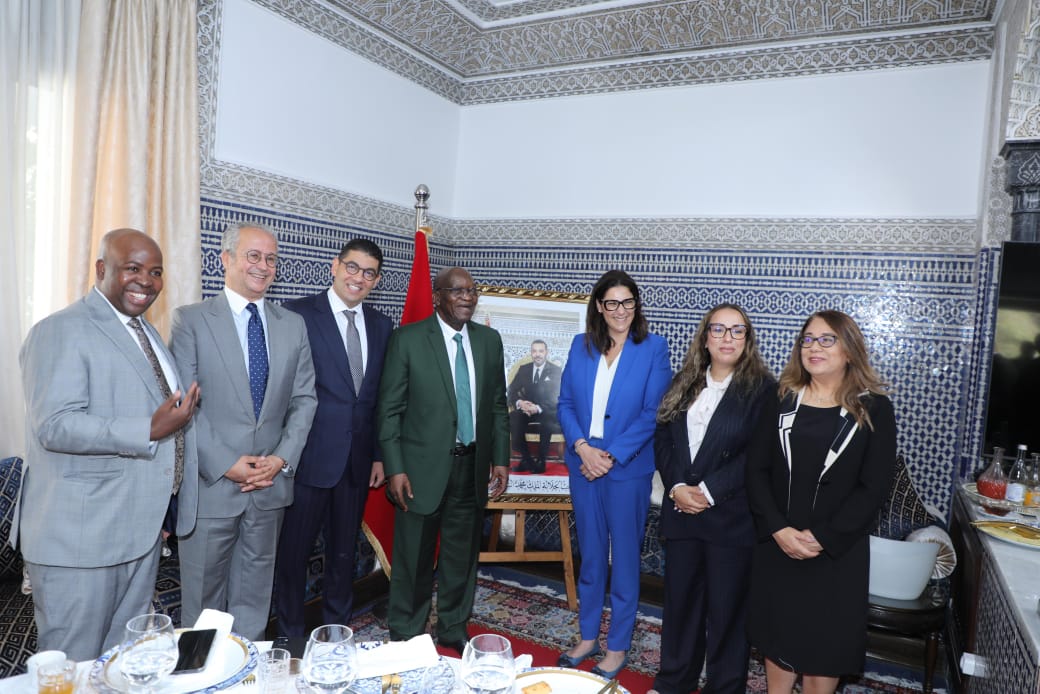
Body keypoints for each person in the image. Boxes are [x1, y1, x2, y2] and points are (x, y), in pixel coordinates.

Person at [15, 228, 200, 660]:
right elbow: (55, 426)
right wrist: (148, 429)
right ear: (102, 269)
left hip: (138, 532)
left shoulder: (145, 332)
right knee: (73, 668)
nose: (146, 281)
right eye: (133, 268)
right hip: (82, 539)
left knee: (121, 662)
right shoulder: (60, 330)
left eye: (156, 272)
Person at [171, 221, 317, 641]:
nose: (263, 266)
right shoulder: (191, 320)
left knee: (254, 599)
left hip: (269, 487)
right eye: (254, 256)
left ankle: (247, 669)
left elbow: (305, 400)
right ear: (226, 259)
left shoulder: (292, 325)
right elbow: (183, 405)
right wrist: (226, 463)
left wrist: (281, 459)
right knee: (203, 605)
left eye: (271, 259)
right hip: (213, 487)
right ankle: (200, 673)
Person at [745, 310, 897, 694]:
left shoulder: (874, 408)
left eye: (827, 339)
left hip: (835, 554)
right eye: (808, 339)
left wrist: (823, 537)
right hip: (778, 546)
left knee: (824, 650)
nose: (814, 347)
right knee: (778, 641)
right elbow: (756, 470)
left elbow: (873, 488)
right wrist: (778, 529)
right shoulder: (780, 398)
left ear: (849, 349)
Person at [376, 266, 510, 655]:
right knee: (413, 557)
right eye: (457, 291)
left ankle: (453, 627)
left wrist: (500, 458)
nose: (468, 297)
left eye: (473, 290)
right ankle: (406, 632)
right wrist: (395, 467)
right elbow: (389, 411)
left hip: (472, 466)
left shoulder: (489, 340)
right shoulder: (408, 340)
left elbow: (497, 405)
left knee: (461, 556)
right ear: (437, 297)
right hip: (419, 470)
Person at [648, 304, 775, 694]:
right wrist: (675, 487)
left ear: (747, 340)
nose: (727, 338)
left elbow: (758, 454)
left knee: (726, 613)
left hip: (730, 518)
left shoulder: (763, 390)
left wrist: (707, 492)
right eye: (718, 330)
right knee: (681, 607)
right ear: (705, 338)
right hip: (681, 511)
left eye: (737, 331)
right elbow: (663, 438)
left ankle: (724, 687)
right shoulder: (683, 381)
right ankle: (674, 681)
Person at [273, 239, 393, 636]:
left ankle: (336, 632)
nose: (359, 278)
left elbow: (378, 397)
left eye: (369, 273)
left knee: (344, 554)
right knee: (294, 553)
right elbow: (282, 390)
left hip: (357, 463)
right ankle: (290, 636)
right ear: (335, 266)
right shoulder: (297, 314)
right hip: (308, 458)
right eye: (352, 267)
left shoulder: (381, 325)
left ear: (377, 280)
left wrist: (379, 455)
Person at [556, 269, 671, 680]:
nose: (620, 310)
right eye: (612, 303)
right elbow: (565, 403)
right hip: (583, 465)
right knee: (590, 555)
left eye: (628, 302)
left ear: (636, 306)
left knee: (623, 559)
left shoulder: (654, 348)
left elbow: (653, 412)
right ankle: (588, 637)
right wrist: (582, 448)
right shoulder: (581, 345)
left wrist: (611, 455)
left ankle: (617, 645)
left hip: (626, 469)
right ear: (599, 307)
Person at [507, 339, 562, 473]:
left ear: (546, 352)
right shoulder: (524, 369)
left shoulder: (556, 371)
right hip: (527, 409)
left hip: (546, 410)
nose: (537, 354)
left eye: (541, 351)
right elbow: (511, 391)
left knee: (548, 420)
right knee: (513, 417)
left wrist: (537, 408)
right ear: (531, 353)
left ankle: (541, 461)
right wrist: (520, 403)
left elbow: (557, 397)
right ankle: (526, 459)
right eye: (534, 351)